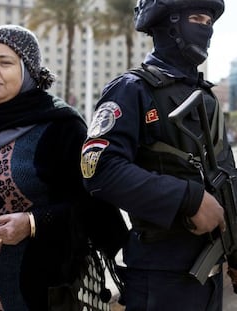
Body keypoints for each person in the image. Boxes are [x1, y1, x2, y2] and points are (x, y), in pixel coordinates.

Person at [0, 24, 127, 310]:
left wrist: (33, 223)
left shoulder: (60, 126)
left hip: (32, 294)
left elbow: (91, 205)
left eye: (5, 62)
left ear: (28, 70)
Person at [81, 0, 237, 310]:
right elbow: (98, 167)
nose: (205, 28)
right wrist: (187, 198)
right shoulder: (133, 89)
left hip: (210, 275)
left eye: (209, 20)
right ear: (169, 23)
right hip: (160, 275)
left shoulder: (205, 97)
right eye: (196, 18)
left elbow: (226, 180)